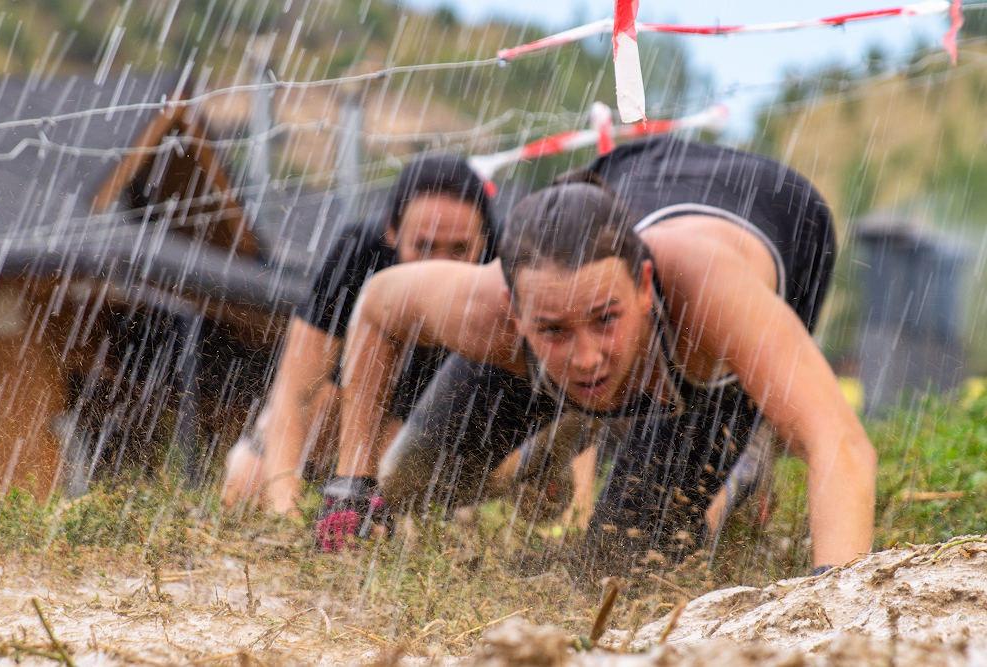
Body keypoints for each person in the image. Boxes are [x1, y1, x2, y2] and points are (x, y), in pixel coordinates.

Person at [322, 136, 876, 572]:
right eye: (555, 330)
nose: (587, 358)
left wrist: (836, 604)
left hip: (779, 219)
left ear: (643, 287)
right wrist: (350, 487)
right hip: (631, 176)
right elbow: (373, 309)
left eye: (605, 320)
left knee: (620, 565)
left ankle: (743, 467)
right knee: (412, 482)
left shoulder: (714, 301)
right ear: (514, 313)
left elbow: (841, 444)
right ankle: (573, 421)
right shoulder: (484, 307)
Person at [221, 153, 499, 515]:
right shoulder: (360, 249)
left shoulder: (507, 268)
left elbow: (572, 382)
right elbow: (295, 390)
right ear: (392, 233)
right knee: (249, 479)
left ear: (486, 240)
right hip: (352, 396)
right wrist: (283, 503)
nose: (439, 267)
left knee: (403, 493)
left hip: (449, 421)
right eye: (424, 246)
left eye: (460, 249)